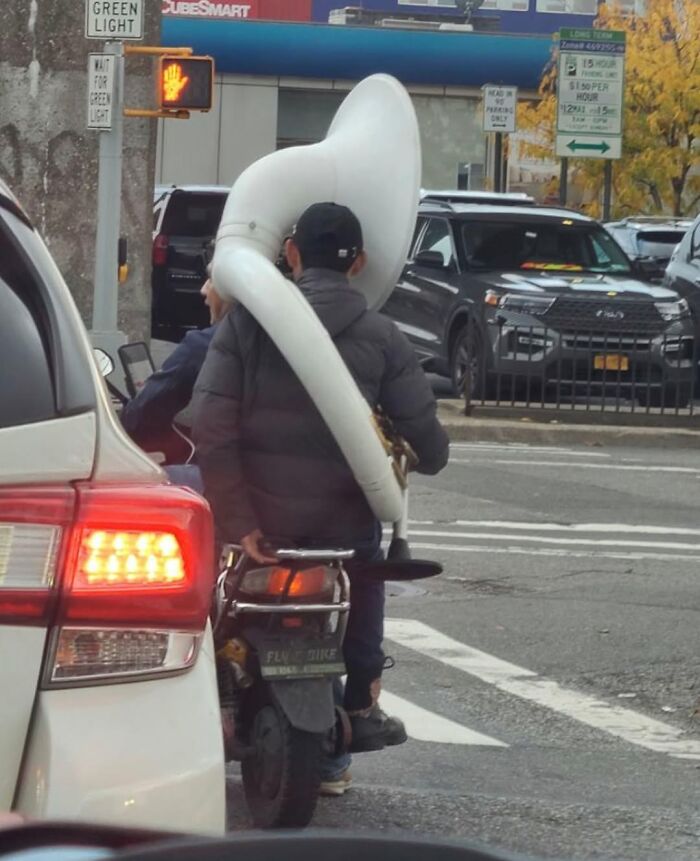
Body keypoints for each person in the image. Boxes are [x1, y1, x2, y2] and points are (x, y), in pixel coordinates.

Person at [191, 202, 450, 794]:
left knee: (206, 594)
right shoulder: (384, 338)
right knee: (364, 576)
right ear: (358, 263)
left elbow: (210, 423)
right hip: (341, 527)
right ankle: (359, 706)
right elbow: (429, 448)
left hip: (260, 526)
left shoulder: (247, 325)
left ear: (291, 254)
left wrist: (239, 520)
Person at [120, 263, 232, 479]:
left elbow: (144, 414)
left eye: (210, 281)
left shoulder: (204, 346)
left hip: (232, 484)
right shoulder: (286, 338)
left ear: (229, 289)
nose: (203, 290)